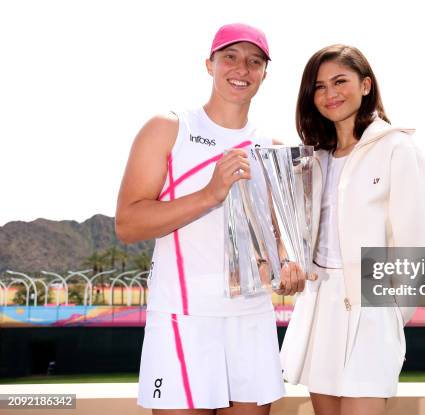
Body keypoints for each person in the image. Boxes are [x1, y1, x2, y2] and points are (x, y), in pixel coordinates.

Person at [115, 23, 305, 414]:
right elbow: (128, 224)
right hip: (183, 319)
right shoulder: (169, 129)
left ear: (265, 74)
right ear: (209, 64)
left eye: (255, 61)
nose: (242, 69)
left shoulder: (272, 148)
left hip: (250, 318)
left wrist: (288, 264)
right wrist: (209, 194)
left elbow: (279, 238)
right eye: (230, 57)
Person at [280, 44, 425, 415]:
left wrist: (388, 314)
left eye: (340, 81)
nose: (330, 93)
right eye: (319, 86)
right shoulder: (314, 160)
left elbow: (417, 244)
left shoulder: (398, 148)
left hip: (372, 307)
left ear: (365, 85)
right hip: (321, 307)